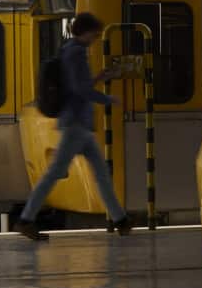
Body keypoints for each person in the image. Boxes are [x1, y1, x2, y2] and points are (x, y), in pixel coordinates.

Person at [15, 12, 129, 240]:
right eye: (94, 34)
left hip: (79, 124)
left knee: (100, 173)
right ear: (85, 32)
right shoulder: (76, 52)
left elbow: (76, 85)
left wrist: (99, 78)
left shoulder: (68, 50)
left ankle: (121, 220)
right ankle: (26, 220)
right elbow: (80, 89)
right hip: (75, 124)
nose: (95, 39)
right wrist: (107, 99)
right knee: (56, 174)